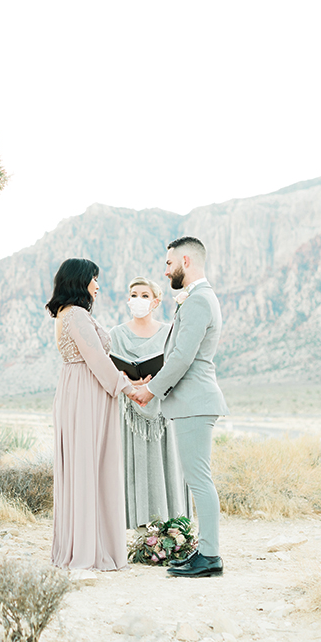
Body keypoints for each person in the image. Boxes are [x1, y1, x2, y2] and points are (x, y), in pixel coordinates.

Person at [129, 237, 229, 578]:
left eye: (169, 263)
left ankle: (211, 555)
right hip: (190, 401)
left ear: (185, 260)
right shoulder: (197, 299)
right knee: (197, 480)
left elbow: (184, 357)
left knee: (200, 481)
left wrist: (150, 391)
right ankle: (205, 551)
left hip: (195, 401)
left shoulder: (200, 300)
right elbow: (178, 355)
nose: (165, 269)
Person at [46, 258, 134, 570]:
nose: (98, 285)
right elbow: (96, 357)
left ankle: (81, 541)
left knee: (82, 467)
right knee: (90, 466)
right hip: (88, 392)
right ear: (80, 281)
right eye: (94, 279)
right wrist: (127, 387)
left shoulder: (64, 314)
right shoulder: (78, 315)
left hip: (77, 388)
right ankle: (90, 549)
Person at [109, 277, 189, 529]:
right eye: (134, 294)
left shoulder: (169, 332)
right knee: (133, 464)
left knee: (166, 462)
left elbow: (179, 367)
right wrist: (123, 379)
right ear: (127, 300)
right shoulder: (116, 334)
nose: (138, 300)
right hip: (129, 409)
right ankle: (134, 527)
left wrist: (152, 385)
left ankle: (171, 526)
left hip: (162, 407)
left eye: (145, 295)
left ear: (155, 302)